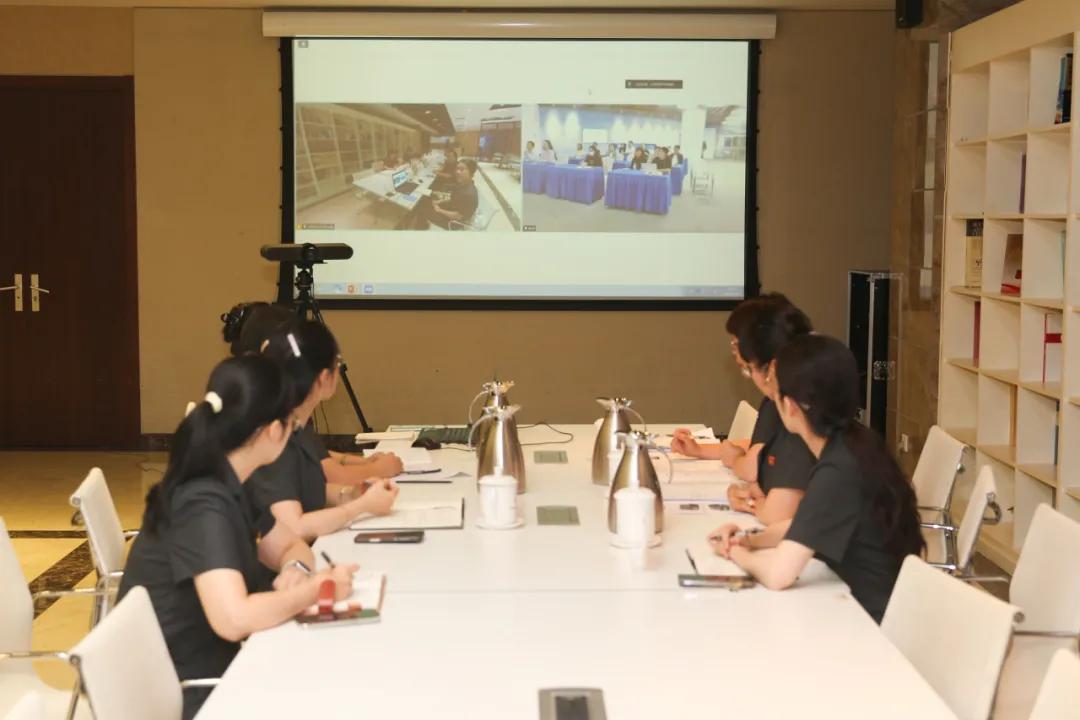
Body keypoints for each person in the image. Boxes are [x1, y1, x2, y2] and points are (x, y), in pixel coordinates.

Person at [118, 355, 358, 719]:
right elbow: (233, 619)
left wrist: (293, 569)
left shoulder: (230, 478)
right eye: (292, 424)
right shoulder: (203, 502)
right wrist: (314, 590)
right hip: (187, 692)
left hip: (215, 667)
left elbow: (289, 544)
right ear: (274, 431)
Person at [709, 334, 925, 623]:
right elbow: (805, 525)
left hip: (869, 622)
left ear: (790, 406)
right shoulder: (857, 442)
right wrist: (751, 540)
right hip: (882, 603)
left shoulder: (837, 469)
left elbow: (778, 575)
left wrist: (735, 552)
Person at [245, 320, 400, 543]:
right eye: (338, 363)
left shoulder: (295, 426)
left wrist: (350, 494)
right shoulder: (274, 435)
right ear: (324, 378)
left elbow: (306, 490)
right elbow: (294, 527)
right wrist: (361, 507)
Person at [671, 294, 815, 524]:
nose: (734, 348)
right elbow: (762, 447)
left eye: (748, 368)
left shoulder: (791, 408)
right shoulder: (796, 396)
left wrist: (743, 477)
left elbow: (755, 472)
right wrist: (702, 450)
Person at [230, 302, 404, 485]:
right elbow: (325, 474)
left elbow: (314, 455)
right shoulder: (274, 417)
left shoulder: (276, 403)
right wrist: (378, 469)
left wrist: (363, 464)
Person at [416, 159, 479, 230]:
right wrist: (439, 202)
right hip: (450, 210)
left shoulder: (468, 194)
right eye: (457, 169)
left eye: (462, 169)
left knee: (421, 210)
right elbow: (454, 199)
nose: (457, 172)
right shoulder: (463, 185)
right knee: (425, 202)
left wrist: (439, 210)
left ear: (472, 173)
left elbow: (459, 216)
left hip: (453, 223)